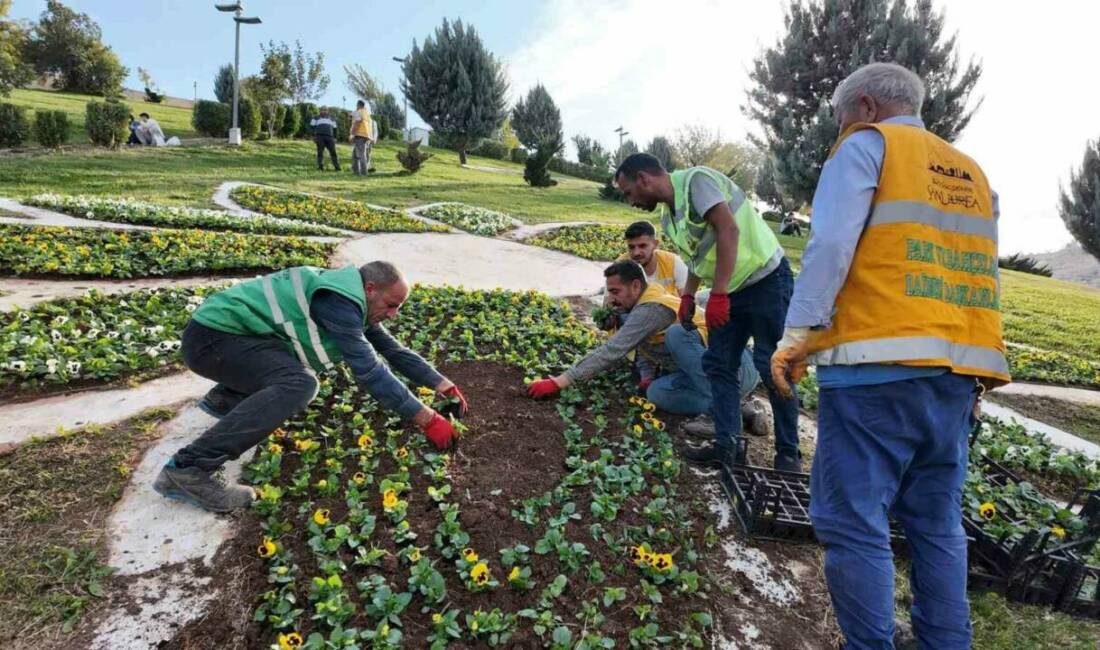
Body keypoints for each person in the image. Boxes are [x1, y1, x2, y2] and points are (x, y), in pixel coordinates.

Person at [770, 62, 1009, 649]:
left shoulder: (867, 146)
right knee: (936, 526)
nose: (839, 131)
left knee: (852, 523)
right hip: (954, 377)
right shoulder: (973, 173)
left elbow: (829, 244)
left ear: (868, 107)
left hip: (876, 370)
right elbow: (976, 273)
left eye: (841, 118)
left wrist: (798, 331)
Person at [154, 261, 465, 513]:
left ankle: (228, 400)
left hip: (229, 338)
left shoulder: (348, 296)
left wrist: (444, 385)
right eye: (391, 304)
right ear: (370, 289)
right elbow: (370, 370)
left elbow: (393, 350)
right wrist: (427, 419)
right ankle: (188, 469)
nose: (393, 314)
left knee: (290, 372)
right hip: (213, 341)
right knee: (299, 384)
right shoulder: (339, 303)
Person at [614, 153, 801, 472]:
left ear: (644, 179)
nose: (631, 201)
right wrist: (688, 295)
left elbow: (729, 231)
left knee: (772, 365)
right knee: (719, 366)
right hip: (729, 290)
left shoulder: (696, 182)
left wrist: (718, 294)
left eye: (629, 192)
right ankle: (727, 447)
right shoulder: (668, 218)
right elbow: (699, 257)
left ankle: (788, 456)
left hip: (765, 280)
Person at [526, 260, 759, 418]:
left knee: (678, 335)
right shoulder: (635, 309)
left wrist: (558, 381)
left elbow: (612, 351)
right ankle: (734, 409)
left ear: (636, 285)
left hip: (736, 367)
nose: (612, 300)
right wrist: (647, 376)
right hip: (705, 377)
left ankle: (724, 406)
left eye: (615, 292)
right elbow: (642, 348)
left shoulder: (651, 308)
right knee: (656, 393)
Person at [612, 220, 767, 437]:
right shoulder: (623, 269)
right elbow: (617, 315)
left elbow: (688, 305)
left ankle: (722, 414)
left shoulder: (671, 263)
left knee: (678, 334)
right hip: (683, 361)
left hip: (717, 356)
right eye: (631, 247)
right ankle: (742, 407)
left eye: (642, 246)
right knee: (656, 392)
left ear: (655, 243)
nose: (636, 252)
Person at [350, 99, 375, 176]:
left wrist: (352, 134)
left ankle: (364, 173)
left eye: (356, 105)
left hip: (360, 135)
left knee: (361, 154)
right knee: (355, 154)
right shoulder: (367, 114)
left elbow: (357, 122)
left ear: (358, 105)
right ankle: (356, 171)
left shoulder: (359, 112)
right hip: (366, 136)